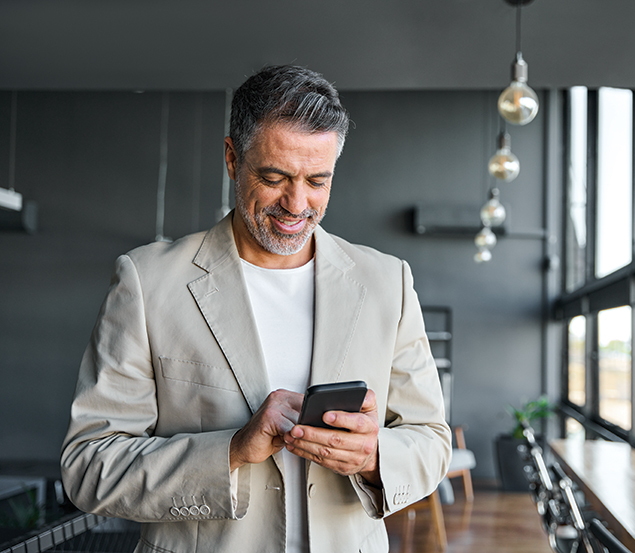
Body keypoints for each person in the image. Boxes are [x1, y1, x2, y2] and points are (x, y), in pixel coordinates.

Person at [60, 65, 452, 553]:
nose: (297, 203)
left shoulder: (387, 282)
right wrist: (230, 451)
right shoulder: (147, 282)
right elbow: (88, 466)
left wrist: (374, 457)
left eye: (318, 180)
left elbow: (432, 441)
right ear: (231, 159)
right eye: (274, 177)